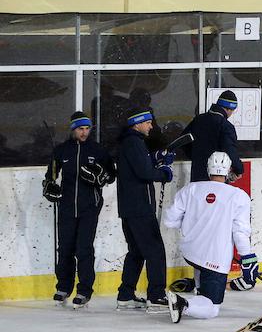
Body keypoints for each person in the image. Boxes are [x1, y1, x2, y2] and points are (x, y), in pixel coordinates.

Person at [163, 152, 255, 324]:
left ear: (208, 169)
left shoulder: (191, 189)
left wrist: (192, 226)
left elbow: (169, 220)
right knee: (212, 308)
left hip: (191, 252)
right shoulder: (238, 195)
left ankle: (199, 293)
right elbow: (240, 232)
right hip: (215, 257)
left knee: (201, 270)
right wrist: (247, 257)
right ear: (228, 171)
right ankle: (183, 304)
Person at [43, 111, 115, 309]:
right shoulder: (61, 151)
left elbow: (110, 175)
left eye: (87, 128)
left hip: (89, 207)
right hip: (66, 207)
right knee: (65, 248)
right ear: (73, 129)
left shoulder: (98, 150)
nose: (84, 132)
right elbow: (51, 175)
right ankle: (63, 287)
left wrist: (99, 177)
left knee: (83, 249)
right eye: (80, 129)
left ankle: (84, 290)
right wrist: (50, 188)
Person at [115, 107, 174, 313]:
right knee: (155, 250)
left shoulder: (130, 143)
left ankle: (125, 294)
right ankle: (156, 295)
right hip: (140, 207)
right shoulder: (134, 143)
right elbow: (144, 172)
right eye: (148, 122)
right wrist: (164, 173)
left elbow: (140, 166)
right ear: (137, 124)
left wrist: (155, 158)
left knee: (137, 252)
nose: (151, 126)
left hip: (130, 207)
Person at [183, 90, 244, 185]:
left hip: (197, 177)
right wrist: (239, 169)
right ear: (229, 109)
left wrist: (197, 157)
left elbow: (184, 141)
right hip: (217, 178)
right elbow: (230, 150)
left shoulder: (198, 120)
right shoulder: (226, 126)